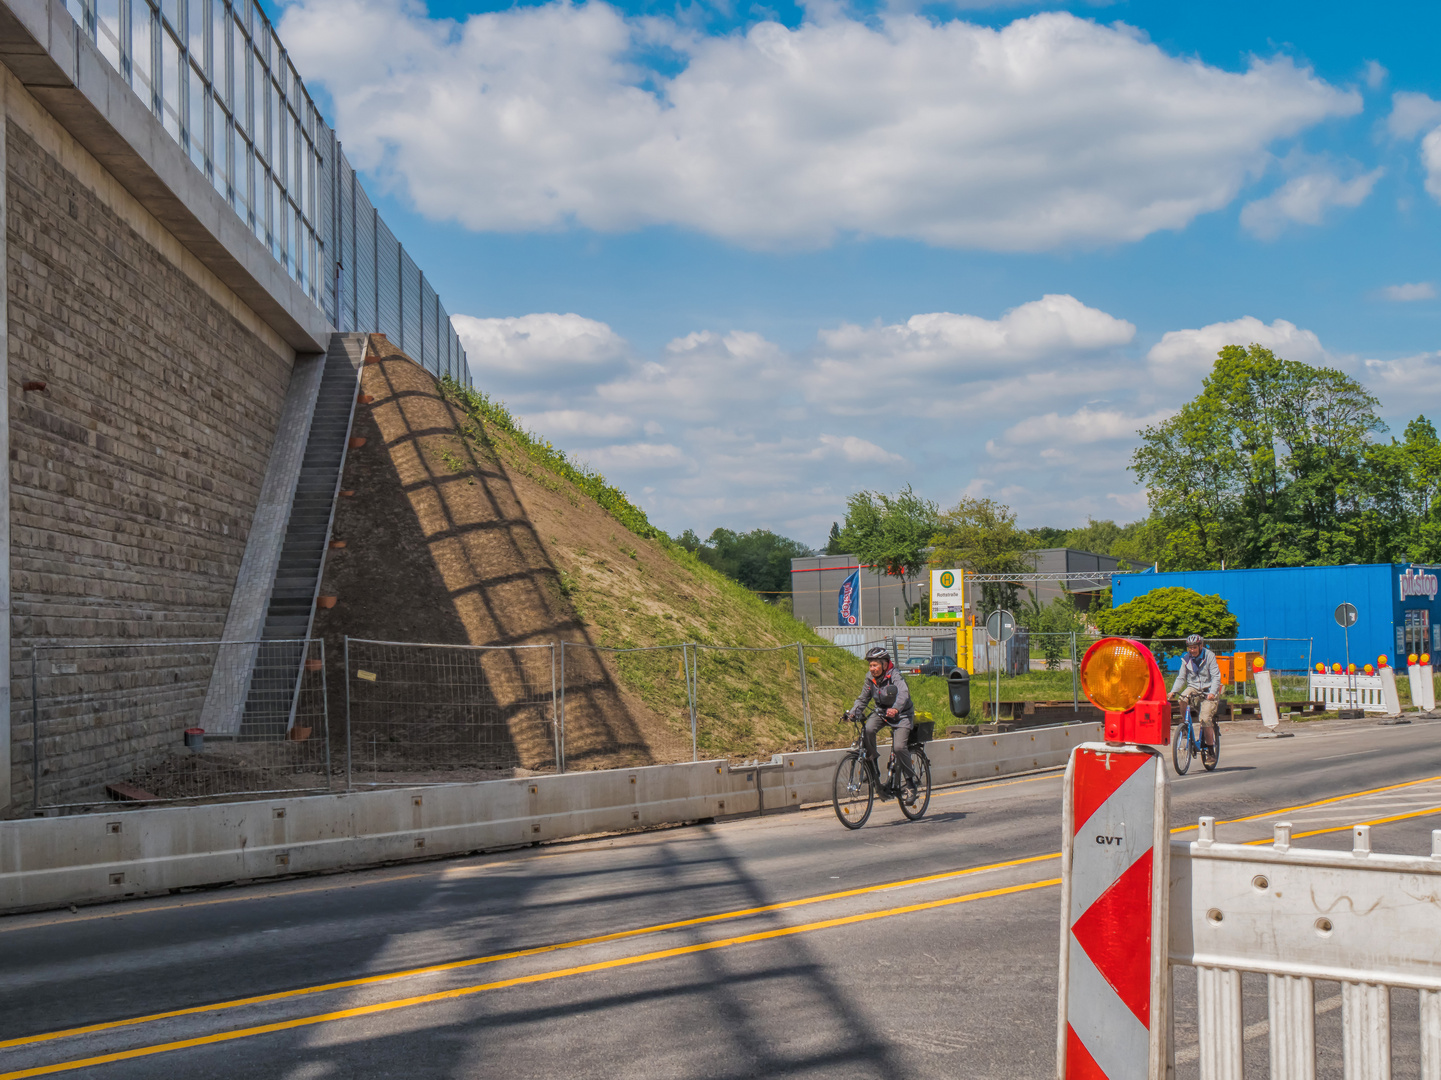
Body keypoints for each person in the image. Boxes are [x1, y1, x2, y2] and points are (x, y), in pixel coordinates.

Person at [848, 646, 917, 798]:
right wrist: (853, 712)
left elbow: (903, 693)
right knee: (867, 730)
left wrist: (896, 708)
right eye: (870, 665)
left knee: (899, 747)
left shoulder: (895, 675)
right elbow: (863, 699)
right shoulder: (870, 678)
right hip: (881, 712)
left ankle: (910, 783)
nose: (872, 669)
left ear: (885, 664)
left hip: (901, 715)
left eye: (875, 665)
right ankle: (873, 767)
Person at [1170, 633, 1221, 748]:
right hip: (1193, 687)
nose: (1192, 650)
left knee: (1205, 719)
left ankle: (1210, 748)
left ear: (1200, 646)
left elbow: (1216, 676)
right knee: (1182, 698)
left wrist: (1212, 692)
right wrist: (1173, 691)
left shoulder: (1209, 656)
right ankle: (1185, 724)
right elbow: (1181, 678)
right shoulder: (1186, 659)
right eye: (1190, 648)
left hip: (1208, 689)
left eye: (1194, 647)